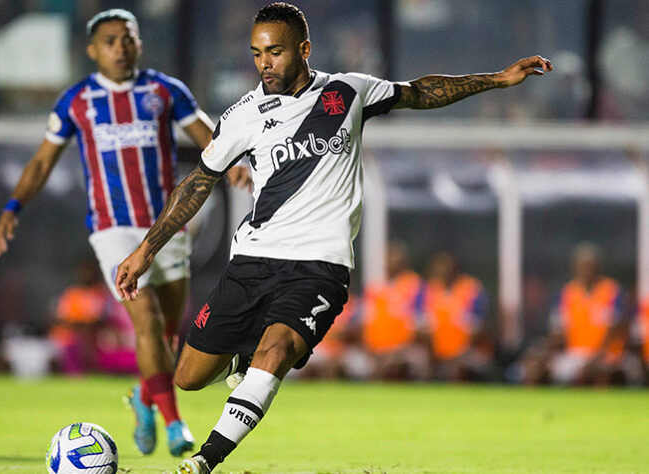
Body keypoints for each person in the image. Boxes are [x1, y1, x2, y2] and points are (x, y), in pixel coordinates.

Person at [113, 3, 552, 472]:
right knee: (189, 377)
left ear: (303, 49)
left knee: (276, 350)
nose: (265, 64)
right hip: (253, 259)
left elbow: (421, 92)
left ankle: (206, 459)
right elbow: (197, 183)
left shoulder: (348, 92)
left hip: (319, 266)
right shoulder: (242, 114)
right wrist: (145, 249)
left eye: (276, 52)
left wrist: (497, 79)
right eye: (257, 53)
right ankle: (242, 358)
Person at [0, 9, 249, 457]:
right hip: (111, 228)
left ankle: (144, 398)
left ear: (138, 44)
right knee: (144, 320)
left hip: (165, 226)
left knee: (168, 337)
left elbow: (209, 135)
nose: (119, 47)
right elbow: (41, 162)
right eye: (109, 40)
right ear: (92, 50)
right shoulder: (76, 101)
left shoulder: (163, 91)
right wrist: (13, 206)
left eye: (127, 39)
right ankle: (174, 425)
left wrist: (232, 167)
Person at [521, 243, 634, 385]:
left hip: (608, 355)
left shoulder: (612, 292)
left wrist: (597, 357)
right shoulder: (567, 294)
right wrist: (544, 353)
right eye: (582, 266)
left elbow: (616, 329)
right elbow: (559, 331)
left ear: (598, 267)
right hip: (575, 354)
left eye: (590, 266)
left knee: (600, 372)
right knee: (536, 368)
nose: (586, 271)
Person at [48, 258, 137, 375]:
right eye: (83, 271)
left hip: (97, 341)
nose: (86, 274)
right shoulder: (71, 294)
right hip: (69, 340)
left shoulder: (103, 294)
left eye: (89, 270)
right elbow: (61, 321)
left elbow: (102, 321)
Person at [419, 251, 492, 381]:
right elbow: (422, 327)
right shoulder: (429, 290)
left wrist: (457, 354)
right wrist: (437, 354)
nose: (443, 271)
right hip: (436, 354)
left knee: (463, 367)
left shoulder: (471, 289)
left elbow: (479, 329)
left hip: (467, 352)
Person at [361, 241, 428, 381]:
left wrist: (399, 350)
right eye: (388, 258)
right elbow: (366, 322)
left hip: (406, 350)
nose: (391, 262)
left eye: (395, 259)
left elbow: (423, 325)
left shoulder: (415, 286)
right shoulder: (375, 287)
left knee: (413, 362)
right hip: (375, 351)